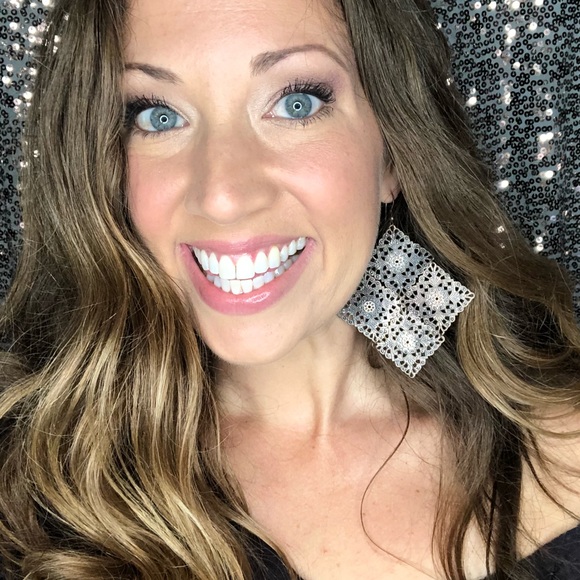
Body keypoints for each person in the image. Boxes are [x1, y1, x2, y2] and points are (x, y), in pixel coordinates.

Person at [0, 0, 579, 578]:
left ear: (393, 156)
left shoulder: (558, 437)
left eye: (296, 103)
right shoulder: (28, 490)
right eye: (157, 116)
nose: (223, 195)